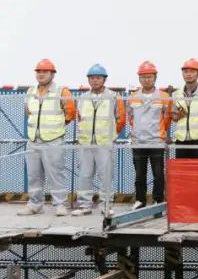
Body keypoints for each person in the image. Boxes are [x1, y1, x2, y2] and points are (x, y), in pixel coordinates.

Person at [19, 59, 76, 215]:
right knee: (33, 175)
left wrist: (55, 127)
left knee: (56, 174)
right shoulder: (30, 92)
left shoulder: (62, 92)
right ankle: (35, 204)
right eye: (38, 71)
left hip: (53, 141)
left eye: (45, 71)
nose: (41, 74)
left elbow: (70, 113)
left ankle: (60, 205)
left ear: (52, 74)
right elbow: (28, 112)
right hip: (33, 141)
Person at [73, 64, 126, 216]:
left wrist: (111, 136)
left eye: (98, 78)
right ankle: (84, 205)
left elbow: (121, 119)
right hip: (86, 143)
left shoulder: (114, 97)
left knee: (106, 175)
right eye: (92, 78)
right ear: (88, 80)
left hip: (105, 144)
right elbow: (79, 118)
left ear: (104, 79)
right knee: (84, 175)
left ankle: (106, 205)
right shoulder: (82, 98)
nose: (95, 80)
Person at [128, 61, 172, 207]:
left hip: (157, 142)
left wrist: (160, 132)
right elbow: (130, 117)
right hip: (138, 142)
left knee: (158, 174)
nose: (146, 79)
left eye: (149, 76)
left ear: (155, 78)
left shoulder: (164, 96)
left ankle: (158, 200)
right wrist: (137, 131)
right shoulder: (133, 96)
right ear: (139, 78)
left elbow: (167, 118)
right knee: (139, 175)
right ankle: (140, 200)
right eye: (143, 77)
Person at [171, 58, 198, 159]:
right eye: (186, 71)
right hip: (181, 141)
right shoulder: (176, 94)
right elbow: (174, 118)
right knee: (182, 169)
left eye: (192, 71)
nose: (188, 74)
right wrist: (177, 115)